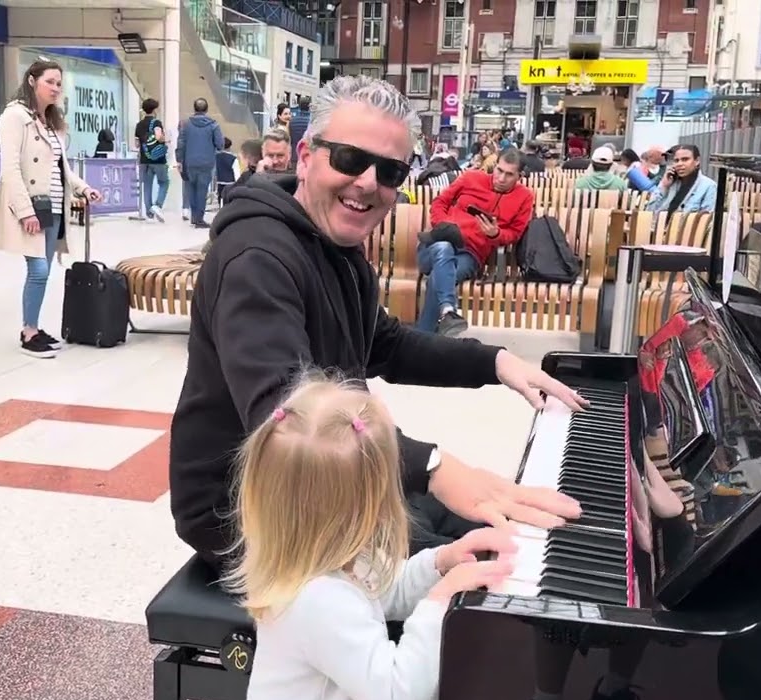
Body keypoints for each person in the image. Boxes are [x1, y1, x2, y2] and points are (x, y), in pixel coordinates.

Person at [169, 75, 584, 575]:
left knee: (505, 532)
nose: (367, 182)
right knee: (475, 572)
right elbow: (288, 415)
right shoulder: (257, 256)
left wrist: (495, 361)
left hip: (334, 476)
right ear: (306, 155)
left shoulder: (336, 246)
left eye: (389, 171)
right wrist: (430, 466)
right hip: (251, 505)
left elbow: (381, 343)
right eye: (348, 158)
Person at [226, 374, 517, 700]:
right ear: (367, 507)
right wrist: (439, 603)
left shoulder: (330, 560)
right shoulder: (317, 601)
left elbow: (384, 586)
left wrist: (441, 563)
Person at [0, 58, 103, 358]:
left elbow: (61, 167)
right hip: (31, 207)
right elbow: (11, 168)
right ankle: (28, 332)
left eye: (58, 83)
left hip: (53, 207)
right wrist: (24, 210)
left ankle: (34, 326)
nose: (55, 88)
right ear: (32, 81)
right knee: (38, 270)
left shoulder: (52, 122)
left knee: (43, 270)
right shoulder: (15, 116)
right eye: (49, 82)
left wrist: (83, 188)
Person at [421, 151, 535, 336]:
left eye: (509, 174)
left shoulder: (524, 197)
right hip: (437, 243)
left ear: (519, 176)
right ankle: (444, 316)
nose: (501, 178)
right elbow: (440, 203)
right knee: (444, 248)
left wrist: (495, 234)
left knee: (439, 277)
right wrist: (443, 225)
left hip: (470, 254)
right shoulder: (470, 178)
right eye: (499, 170)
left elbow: (514, 233)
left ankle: (427, 333)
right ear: (494, 165)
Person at [176, 97, 224, 229]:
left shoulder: (185, 124)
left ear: (194, 109)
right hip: (206, 162)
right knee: (202, 190)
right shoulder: (214, 125)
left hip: (190, 161)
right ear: (207, 109)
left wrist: (179, 160)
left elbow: (181, 143)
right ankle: (199, 219)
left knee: (191, 188)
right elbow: (220, 144)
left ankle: (194, 217)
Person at [645, 144, 717, 214]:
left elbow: (706, 220)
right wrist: (664, 187)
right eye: (676, 160)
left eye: (685, 159)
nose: (679, 164)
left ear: (697, 161)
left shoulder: (709, 186)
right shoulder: (670, 183)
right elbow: (649, 213)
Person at [134, 97, 170, 222]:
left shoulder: (139, 125)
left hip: (144, 159)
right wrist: (166, 139)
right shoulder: (156, 123)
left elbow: (137, 144)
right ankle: (157, 205)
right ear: (154, 110)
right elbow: (159, 136)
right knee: (164, 182)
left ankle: (149, 211)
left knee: (147, 185)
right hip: (158, 159)